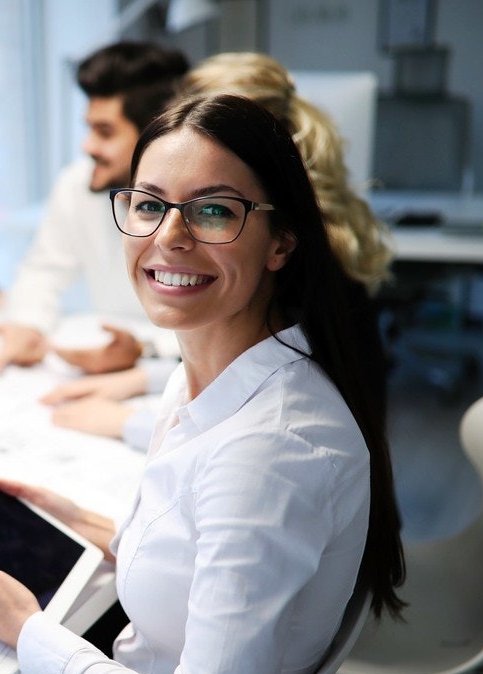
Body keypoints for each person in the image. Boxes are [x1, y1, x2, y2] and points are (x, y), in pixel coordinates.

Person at [0, 93, 405, 674]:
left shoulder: (269, 453)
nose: (169, 236)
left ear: (281, 241)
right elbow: (216, 558)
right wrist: (101, 533)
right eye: (149, 204)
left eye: (213, 210)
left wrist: (29, 633)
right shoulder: (223, 376)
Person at [45, 52, 396, 450]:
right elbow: (241, 368)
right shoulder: (296, 247)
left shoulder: (304, 265)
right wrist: (139, 376)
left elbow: (263, 403)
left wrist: (127, 421)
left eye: (212, 209)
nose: (169, 237)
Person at [0, 41, 189, 374]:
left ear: (154, 133)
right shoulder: (77, 184)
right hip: (110, 359)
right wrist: (28, 324)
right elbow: (43, 270)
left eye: (105, 132)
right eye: (89, 128)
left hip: (182, 370)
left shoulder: (198, 205)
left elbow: (230, 319)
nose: (88, 145)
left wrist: (145, 350)